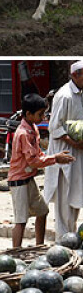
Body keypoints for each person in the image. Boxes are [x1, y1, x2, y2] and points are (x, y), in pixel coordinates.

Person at [8, 93, 75, 247]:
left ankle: (39, 245)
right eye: (40, 114)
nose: (43, 117)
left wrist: (51, 157)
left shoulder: (33, 128)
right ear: (28, 114)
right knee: (21, 220)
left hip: (29, 179)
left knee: (42, 211)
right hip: (18, 181)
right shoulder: (23, 134)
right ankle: (16, 251)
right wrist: (55, 158)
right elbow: (34, 161)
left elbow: (38, 154)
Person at [44, 60, 83, 240]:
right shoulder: (64, 96)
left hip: (77, 154)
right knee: (63, 201)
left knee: (75, 199)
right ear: (76, 75)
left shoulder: (79, 94)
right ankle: (63, 242)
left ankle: (71, 239)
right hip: (64, 154)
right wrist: (73, 142)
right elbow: (54, 127)